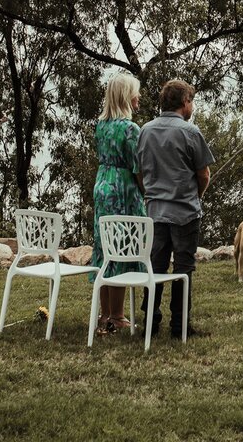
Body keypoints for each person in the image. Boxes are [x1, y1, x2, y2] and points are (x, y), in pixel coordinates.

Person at [138, 79, 214, 336]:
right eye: (191, 101)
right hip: (184, 211)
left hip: (155, 211)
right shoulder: (190, 132)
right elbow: (204, 174)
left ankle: (151, 321)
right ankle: (180, 326)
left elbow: (139, 172)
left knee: (155, 267)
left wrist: (149, 195)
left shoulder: (145, 130)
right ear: (184, 103)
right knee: (183, 268)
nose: (192, 106)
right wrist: (197, 195)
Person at [89, 72, 146, 334]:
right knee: (121, 248)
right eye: (135, 92)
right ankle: (118, 315)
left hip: (102, 184)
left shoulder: (101, 125)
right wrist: (147, 193)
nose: (139, 97)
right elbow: (138, 167)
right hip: (122, 188)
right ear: (126, 96)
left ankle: (104, 316)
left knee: (104, 249)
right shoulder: (130, 129)